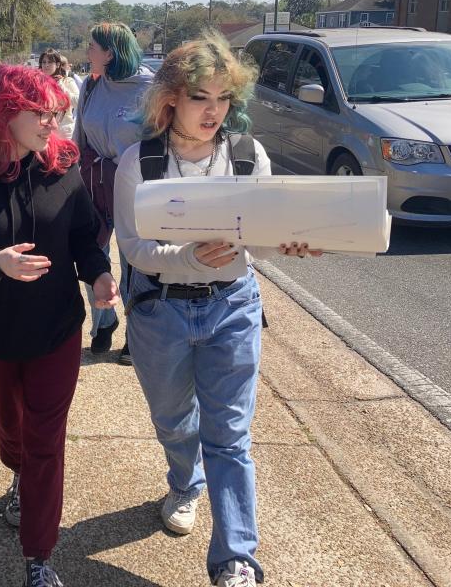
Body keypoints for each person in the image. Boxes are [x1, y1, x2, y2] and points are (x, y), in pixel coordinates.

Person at [113, 32, 322, 587]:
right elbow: (133, 248)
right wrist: (187, 255)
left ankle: (235, 559)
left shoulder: (248, 156)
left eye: (223, 98)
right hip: (161, 314)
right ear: (171, 98)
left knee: (229, 435)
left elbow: (265, 235)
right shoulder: (140, 162)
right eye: (201, 96)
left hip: (232, 307)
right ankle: (185, 482)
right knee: (174, 421)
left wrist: (293, 242)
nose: (214, 110)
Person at [0, 65, 119, 587]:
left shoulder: (63, 167)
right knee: (12, 431)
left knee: (46, 440)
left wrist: (101, 274)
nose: (51, 122)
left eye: (56, 112)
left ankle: (39, 557)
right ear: (4, 113)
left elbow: (86, 237)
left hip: (56, 331)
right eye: (39, 113)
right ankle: (16, 468)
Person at [71, 22, 153, 363]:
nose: (86, 51)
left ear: (111, 52)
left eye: (92, 46)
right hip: (95, 183)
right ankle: (103, 323)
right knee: (93, 253)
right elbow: (79, 135)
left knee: (136, 264)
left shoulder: (151, 88)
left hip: (137, 187)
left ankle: (137, 335)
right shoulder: (92, 86)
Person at [37, 48, 79, 139]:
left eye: (50, 62)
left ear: (58, 64)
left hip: (63, 132)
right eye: (44, 62)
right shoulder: (38, 83)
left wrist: (60, 86)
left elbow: (78, 102)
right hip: (43, 132)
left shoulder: (67, 81)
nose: (46, 65)